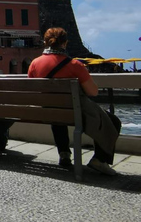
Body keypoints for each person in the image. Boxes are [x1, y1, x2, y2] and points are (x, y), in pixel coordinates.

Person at [28, 27, 122, 176]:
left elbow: (33, 90)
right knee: (114, 121)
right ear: (65, 44)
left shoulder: (35, 63)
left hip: (48, 111)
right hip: (74, 113)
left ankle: (64, 153)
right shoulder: (75, 65)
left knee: (57, 114)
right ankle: (100, 160)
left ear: (45, 43)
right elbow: (93, 92)